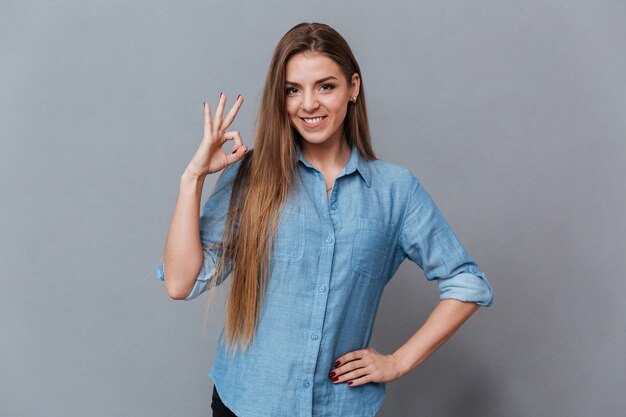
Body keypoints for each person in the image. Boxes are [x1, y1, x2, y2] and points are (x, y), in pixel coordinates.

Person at [155, 22, 493, 417]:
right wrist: (192, 179)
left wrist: (398, 361)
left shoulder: (394, 191)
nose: (308, 104)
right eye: (292, 90)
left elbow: (467, 282)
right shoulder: (251, 177)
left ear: (353, 87)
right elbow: (181, 284)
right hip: (246, 403)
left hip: (340, 408)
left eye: (325, 86)